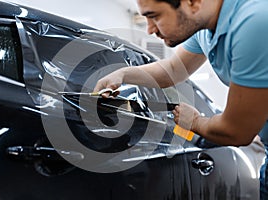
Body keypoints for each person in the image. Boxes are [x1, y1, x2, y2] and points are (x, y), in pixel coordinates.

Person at [93, 0, 268, 198]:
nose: (150, 29)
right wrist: (122, 74)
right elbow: (173, 70)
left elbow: (237, 132)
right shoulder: (206, 27)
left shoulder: (255, 23)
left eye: (154, 16)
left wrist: (194, 122)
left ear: (193, 3)